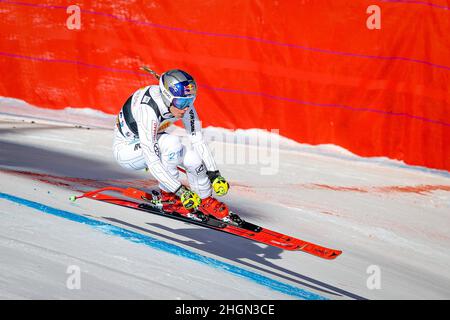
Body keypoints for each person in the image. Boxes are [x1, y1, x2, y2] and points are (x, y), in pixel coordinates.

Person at [113, 69, 230, 221]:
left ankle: (205, 200)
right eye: (182, 103)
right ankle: (169, 197)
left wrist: (215, 174)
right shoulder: (147, 109)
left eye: (190, 101)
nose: (186, 108)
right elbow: (152, 160)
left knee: (193, 158)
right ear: (167, 98)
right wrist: (180, 191)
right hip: (127, 149)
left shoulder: (181, 102)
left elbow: (197, 139)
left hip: (154, 141)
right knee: (172, 143)